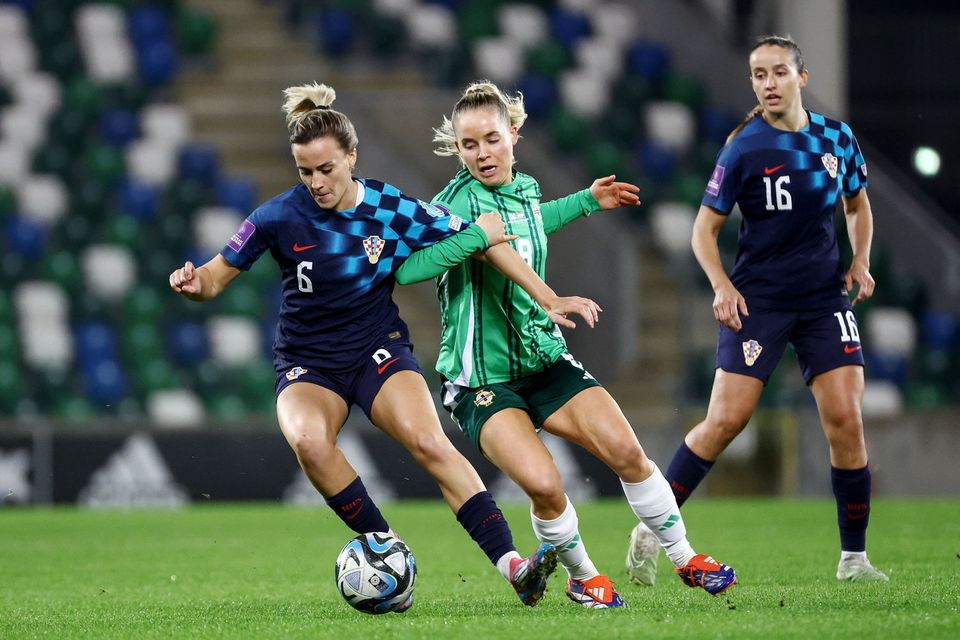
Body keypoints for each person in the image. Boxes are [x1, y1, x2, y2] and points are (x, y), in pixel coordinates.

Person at [167, 82, 603, 609]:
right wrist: (194, 285)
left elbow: (486, 239)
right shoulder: (276, 217)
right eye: (305, 172)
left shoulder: (391, 208)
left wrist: (548, 295)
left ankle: (514, 568)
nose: (316, 183)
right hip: (308, 361)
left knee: (429, 442)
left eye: (326, 170)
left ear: (351, 156)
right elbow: (215, 277)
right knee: (308, 440)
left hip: (377, 348)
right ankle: (384, 545)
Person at [396, 81, 738, 608]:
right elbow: (408, 267)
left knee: (627, 452)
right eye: (469, 145)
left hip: (544, 360)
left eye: (490, 139)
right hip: (482, 380)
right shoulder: (452, 203)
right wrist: (474, 240)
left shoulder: (526, 188)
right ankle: (583, 575)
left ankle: (683, 555)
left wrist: (585, 202)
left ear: (514, 133)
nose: (481, 154)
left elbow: (532, 222)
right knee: (546, 484)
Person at [629, 35, 888, 583]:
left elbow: (858, 203)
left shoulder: (836, 138)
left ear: (802, 77)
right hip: (760, 300)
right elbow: (704, 229)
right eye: (758, 75)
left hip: (822, 298)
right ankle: (653, 527)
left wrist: (860, 259)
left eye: (777, 73)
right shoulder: (744, 148)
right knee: (725, 421)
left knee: (846, 420)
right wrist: (721, 285)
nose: (767, 84)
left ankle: (854, 559)